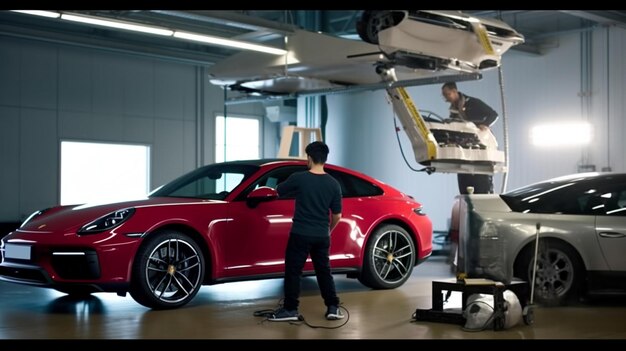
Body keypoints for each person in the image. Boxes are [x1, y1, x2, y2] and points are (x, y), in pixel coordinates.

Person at [268, 141, 344, 322]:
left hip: (300, 233)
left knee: (294, 271)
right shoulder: (334, 184)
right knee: (324, 272)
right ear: (325, 159)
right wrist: (328, 230)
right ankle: (333, 307)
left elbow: (277, 191)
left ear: (309, 158)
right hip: (322, 236)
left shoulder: (299, 178)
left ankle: (290, 310)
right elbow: (337, 216)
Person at [441, 82, 498, 194]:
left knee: (482, 185)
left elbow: (493, 114)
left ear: (454, 91)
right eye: (444, 95)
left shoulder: (473, 102)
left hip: (481, 145)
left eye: (447, 94)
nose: (446, 98)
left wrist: (485, 124)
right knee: (464, 184)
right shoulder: (453, 111)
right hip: (465, 150)